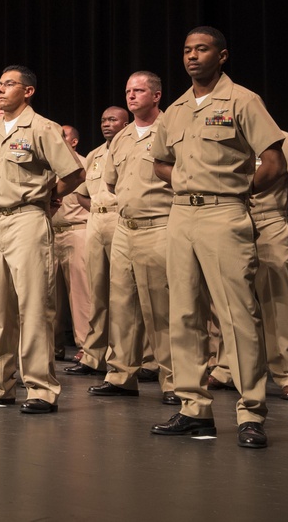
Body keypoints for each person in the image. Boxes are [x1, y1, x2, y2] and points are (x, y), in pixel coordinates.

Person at [149, 26, 285, 448]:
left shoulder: (243, 100)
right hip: (181, 215)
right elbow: (159, 163)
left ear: (222, 56)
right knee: (184, 314)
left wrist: (239, 189)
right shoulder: (174, 109)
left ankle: (251, 412)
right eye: (187, 49)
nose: (192, 56)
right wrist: (189, 180)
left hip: (224, 214)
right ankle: (194, 409)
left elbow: (274, 161)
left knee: (237, 314)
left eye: (202, 49)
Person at [0, 65, 84, 413]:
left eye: (10, 84)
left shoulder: (41, 128)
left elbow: (75, 172)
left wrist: (49, 195)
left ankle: (41, 389)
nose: (1, 90)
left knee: (33, 307)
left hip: (28, 218)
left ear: (28, 91)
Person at [85, 72, 177, 405]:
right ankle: (121, 375)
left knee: (162, 309)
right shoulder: (121, 138)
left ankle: (173, 381)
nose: (132, 96)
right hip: (125, 227)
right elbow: (109, 183)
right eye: (128, 91)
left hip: (160, 224)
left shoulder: (172, 127)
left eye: (139, 91)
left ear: (156, 95)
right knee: (122, 305)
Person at [209, 130, 288, 400]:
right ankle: (226, 368)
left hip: (268, 222)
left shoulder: (282, 140)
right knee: (228, 302)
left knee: (277, 300)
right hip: (228, 221)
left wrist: (280, 198)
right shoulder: (227, 137)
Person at [66, 108, 127, 375]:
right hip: (96, 221)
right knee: (96, 292)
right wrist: (97, 209)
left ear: (126, 123)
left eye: (112, 120)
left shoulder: (132, 146)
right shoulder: (95, 155)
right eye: (103, 120)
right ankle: (94, 355)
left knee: (126, 292)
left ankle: (138, 359)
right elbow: (80, 192)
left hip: (122, 220)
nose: (106, 124)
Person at [51, 126, 92, 355]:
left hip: (76, 230)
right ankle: (53, 346)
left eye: (64, 135)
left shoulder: (84, 164)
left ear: (74, 141)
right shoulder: (50, 163)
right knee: (50, 296)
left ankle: (85, 347)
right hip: (51, 232)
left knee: (80, 293)